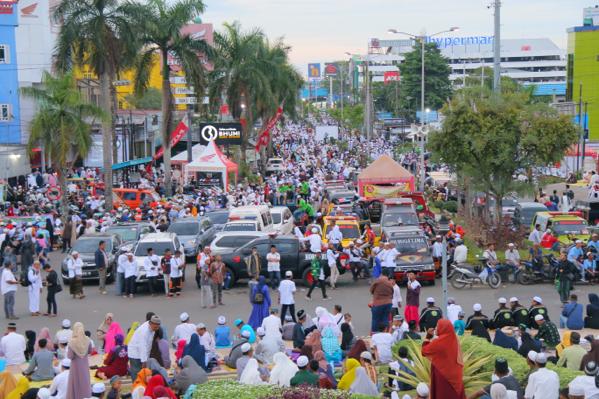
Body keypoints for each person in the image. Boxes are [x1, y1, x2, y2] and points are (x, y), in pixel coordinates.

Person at [421, 319, 465, 399]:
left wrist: (428, 337)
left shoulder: (439, 342)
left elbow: (424, 351)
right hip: (455, 375)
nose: (436, 328)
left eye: (438, 326)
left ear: (443, 328)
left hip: (443, 375)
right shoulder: (454, 340)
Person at [128, 315, 162, 381]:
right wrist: (144, 361)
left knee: (143, 373)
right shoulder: (144, 331)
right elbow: (142, 346)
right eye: (155, 327)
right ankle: (136, 387)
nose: (156, 329)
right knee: (137, 373)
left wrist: (146, 358)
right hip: (135, 353)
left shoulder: (152, 329)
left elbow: (148, 345)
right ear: (151, 323)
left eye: (158, 327)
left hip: (142, 353)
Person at [66, 322, 92, 399]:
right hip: (84, 365)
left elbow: (70, 356)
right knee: (85, 382)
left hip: (75, 366)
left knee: (75, 383)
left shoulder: (72, 342)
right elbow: (90, 351)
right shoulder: (87, 340)